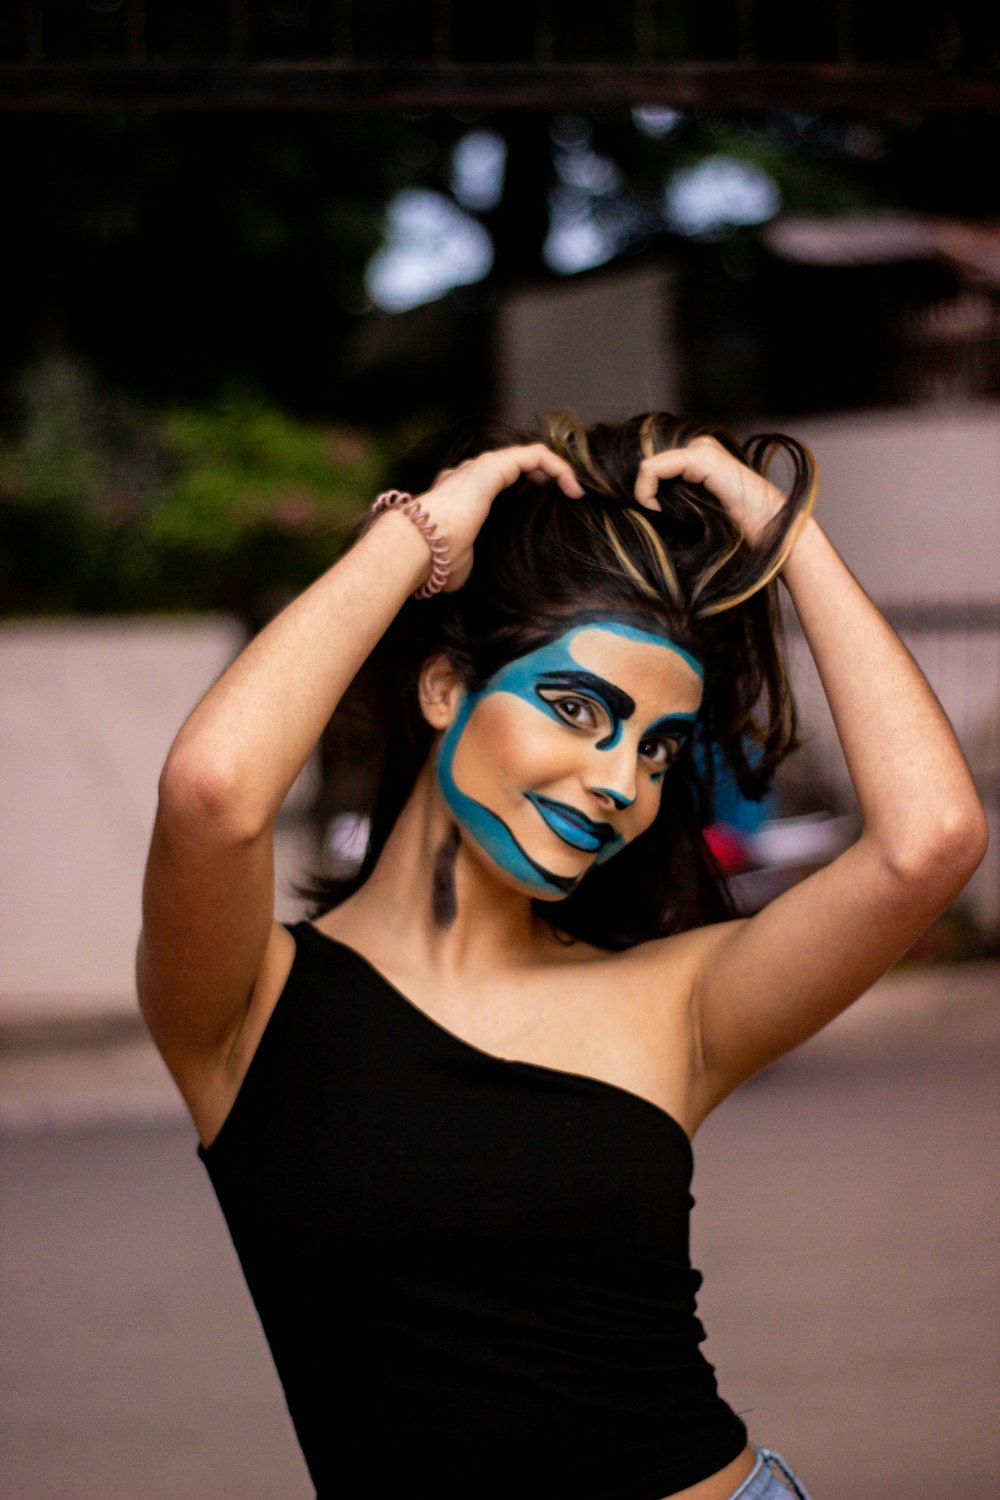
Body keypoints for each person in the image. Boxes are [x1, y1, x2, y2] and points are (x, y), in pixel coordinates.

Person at [138, 412, 987, 1500]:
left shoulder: (676, 1002)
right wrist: (421, 533)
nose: (620, 781)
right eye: (577, 708)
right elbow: (211, 797)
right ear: (446, 690)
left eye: (655, 748)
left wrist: (780, 536)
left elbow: (931, 842)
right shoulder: (246, 1006)